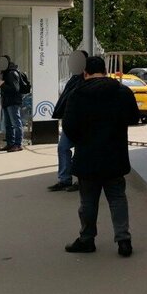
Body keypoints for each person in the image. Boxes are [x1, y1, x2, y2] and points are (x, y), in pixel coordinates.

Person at [61, 55, 140, 257]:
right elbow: (133, 117)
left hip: (87, 156)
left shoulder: (77, 94)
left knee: (88, 201)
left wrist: (83, 140)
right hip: (115, 155)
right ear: (105, 71)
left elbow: (68, 126)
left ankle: (87, 240)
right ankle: (123, 241)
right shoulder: (122, 91)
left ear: (85, 72)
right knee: (117, 198)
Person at [48, 50, 89, 192]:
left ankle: (80, 180)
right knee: (63, 147)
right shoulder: (74, 78)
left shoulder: (87, 79)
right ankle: (65, 179)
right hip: (69, 120)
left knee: (80, 150)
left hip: (81, 122)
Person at [0, 55, 23, 152]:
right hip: (7, 102)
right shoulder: (6, 73)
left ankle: (18, 144)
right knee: (8, 124)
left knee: (16, 123)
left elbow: (15, 89)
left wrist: (2, 85)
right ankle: (10, 143)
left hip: (13, 102)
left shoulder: (12, 73)